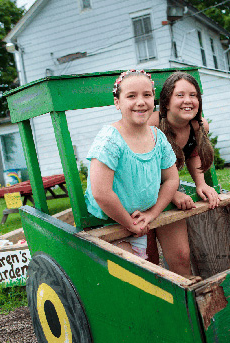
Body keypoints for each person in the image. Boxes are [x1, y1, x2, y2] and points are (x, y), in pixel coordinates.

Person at [85, 69, 179, 260]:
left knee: (144, 267)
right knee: (131, 273)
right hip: (107, 225)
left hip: (138, 221)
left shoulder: (158, 137)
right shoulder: (110, 139)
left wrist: (152, 213)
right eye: (131, 96)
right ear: (117, 102)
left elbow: (171, 179)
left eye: (147, 95)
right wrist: (129, 223)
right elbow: (101, 192)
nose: (140, 102)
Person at [147, 71, 219, 277]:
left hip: (166, 189)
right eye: (180, 95)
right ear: (166, 102)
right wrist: (171, 192)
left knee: (180, 256)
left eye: (193, 95)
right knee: (147, 259)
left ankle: (183, 304)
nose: (188, 100)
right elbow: (140, 169)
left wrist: (201, 183)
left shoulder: (199, 125)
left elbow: (193, 152)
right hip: (136, 195)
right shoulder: (150, 126)